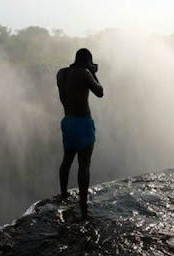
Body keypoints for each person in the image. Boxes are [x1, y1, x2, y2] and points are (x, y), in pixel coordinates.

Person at [56, 48, 104, 218]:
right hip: (83, 122)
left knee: (67, 159)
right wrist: (93, 72)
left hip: (67, 121)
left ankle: (63, 194)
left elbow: (64, 96)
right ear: (87, 61)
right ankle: (83, 206)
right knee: (84, 164)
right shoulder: (84, 72)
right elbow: (100, 92)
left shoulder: (61, 73)